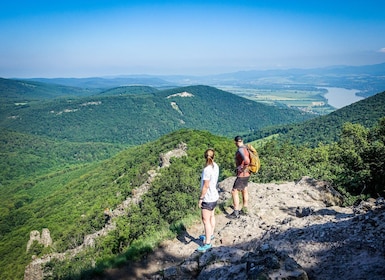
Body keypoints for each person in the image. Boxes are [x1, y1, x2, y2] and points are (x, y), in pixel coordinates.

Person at [197, 148, 219, 252]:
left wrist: (201, 198)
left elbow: (206, 186)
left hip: (208, 198)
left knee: (206, 221)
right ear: (213, 156)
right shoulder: (216, 166)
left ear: (205, 157)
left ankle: (207, 243)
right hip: (214, 196)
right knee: (212, 216)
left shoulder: (207, 170)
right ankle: (210, 235)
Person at [227, 136, 250, 219]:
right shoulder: (246, 148)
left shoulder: (240, 149)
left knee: (234, 191)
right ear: (242, 141)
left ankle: (236, 212)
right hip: (247, 173)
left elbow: (247, 161)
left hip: (242, 174)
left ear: (236, 142)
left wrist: (242, 168)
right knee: (244, 189)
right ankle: (245, 209)